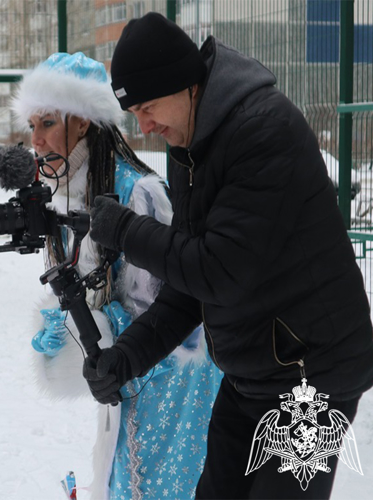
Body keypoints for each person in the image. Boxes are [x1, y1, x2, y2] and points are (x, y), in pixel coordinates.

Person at [87, 12, 373, 499]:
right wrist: (128, 356)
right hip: (252, 371)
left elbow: (219, 270)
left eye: (149, 105)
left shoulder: (263, 131)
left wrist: (129, 231)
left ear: (186, 86)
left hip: (312, 377)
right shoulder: (190, 150)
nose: (145, 124)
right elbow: (190, 282)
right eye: (134, 114)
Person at [13, 52, 223, 500]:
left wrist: (99, 331)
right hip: (127, 377)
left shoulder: (138, 193)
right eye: (31, 126)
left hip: (172, 389)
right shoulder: (67, 194)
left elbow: (182, 320)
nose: (37, 140)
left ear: (83, 122)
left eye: (47, 123)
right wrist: (68, 326)